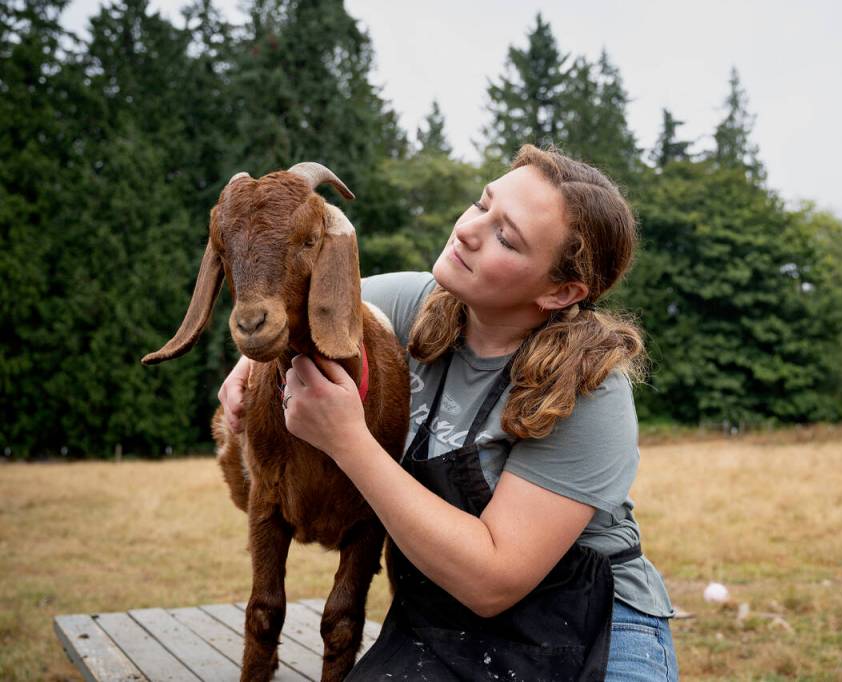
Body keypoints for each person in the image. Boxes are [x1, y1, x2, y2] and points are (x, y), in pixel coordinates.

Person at [218, 145, 679, 681]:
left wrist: (347, 441)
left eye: (506, 236)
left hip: (590, 628)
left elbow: (493, 579)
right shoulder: (411, 306)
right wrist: (248, 368)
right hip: (440, 623)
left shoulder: (591, 391)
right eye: (482, 204)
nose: (468, 230)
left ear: (561, 291)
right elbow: (299, 307)